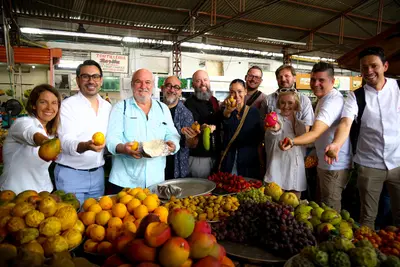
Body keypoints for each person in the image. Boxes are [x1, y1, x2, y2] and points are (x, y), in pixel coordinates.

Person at [325, 47, 400, 228]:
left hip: (398, 162)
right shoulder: (356, 96)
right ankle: (369, 252)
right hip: (369, 165)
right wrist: (335, 144)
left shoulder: (398, 88)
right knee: (367, 217)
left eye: (374, 66)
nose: (369, 71)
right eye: (364, 67)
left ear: (385, 66)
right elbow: (345, 123)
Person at [280, 62, 351, 211]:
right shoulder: (323, 98)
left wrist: (292, 141)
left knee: (330, 211)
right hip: (324, 162)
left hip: (333, 165)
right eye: (313, 80)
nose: (316, 84)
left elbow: (315, 133)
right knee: (322, 207)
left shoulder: (331, 102)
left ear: (332, 81)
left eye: (321, 80)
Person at [106, 69, 180, 192]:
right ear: (132, 85)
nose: (143, 86)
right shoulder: (121, 107)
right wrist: (123, 148)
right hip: (125, 181)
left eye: (147, 82)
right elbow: (111, 139)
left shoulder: (162, 109)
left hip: (155, 181)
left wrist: (173, 144)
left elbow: (172, 134)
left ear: (153, 85)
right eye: (138, 82)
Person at [55, 60, 112, 205]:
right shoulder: (67, 106)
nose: (91, 81)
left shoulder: (108, 107)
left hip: (98, 174)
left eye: (95, 76)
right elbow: (65, 141)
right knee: (70, 222)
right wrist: (86, 146)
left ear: (101, 80)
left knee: (94, 222)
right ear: (78, 80)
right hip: (71, 175)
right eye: (86, 76)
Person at [0, 84, 61, 194]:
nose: (49, 107)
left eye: (54, 103)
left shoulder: (52, 133)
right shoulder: (22, 122)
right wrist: (45, 142)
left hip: (44, 192)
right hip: (15, 194)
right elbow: (30, 133)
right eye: (43, 102)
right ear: (33, 105)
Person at [264, 90, 307, 198]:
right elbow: (273, 131)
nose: (286, 106)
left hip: (297, 171)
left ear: (296, 104)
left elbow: (305, 144)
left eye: (290, 103)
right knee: (276, 208)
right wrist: (275, 128)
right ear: (278, 104)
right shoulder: (275, 119)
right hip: (277, 170)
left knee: (295, 207)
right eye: (283, 102)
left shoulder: (300, 123)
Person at [220, 79, 263, 178]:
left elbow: (258, 141)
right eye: (232, 92)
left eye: (239, 91)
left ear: (245, 91)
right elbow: (225, 129)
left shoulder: (254, 113)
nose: (236, 95)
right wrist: (227, 113)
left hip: (248, 162)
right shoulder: (224, 111)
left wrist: (262, 164)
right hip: (229, 161)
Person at [184, 70, 220, 178]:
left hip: (215, 154)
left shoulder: (214, 100)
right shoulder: (189, 103)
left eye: (205, 80)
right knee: (200, 189)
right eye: (198, 81)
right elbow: (194, 127)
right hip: (199, 157)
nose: (203, 83)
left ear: (209, 82)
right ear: (193, 84)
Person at [161, 76, 197, 179]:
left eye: (176, 87)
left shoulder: (186, 114)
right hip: (155, 163)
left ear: (180, 92)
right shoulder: (154, 110)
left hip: (176, 167)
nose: (172, 90)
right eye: (168, 86)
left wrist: (191, 137)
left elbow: (190, 144)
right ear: (162, 88)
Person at [260, 65, 314, 131]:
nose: (283, 79)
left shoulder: (304, 100)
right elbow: (261, 125)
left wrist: (292, 140)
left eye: (287, 76)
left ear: (294, 78)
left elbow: (306, 128)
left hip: (296, 140)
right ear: (277, 79)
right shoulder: (268, 100)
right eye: (280, 77)